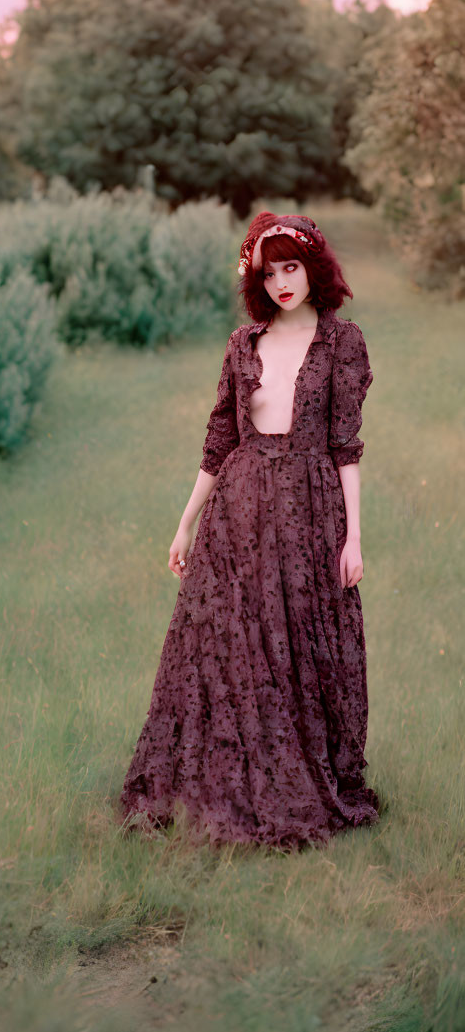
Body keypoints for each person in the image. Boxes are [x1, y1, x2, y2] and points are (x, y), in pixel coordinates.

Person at [120, 211, 381, 850]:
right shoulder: (244, 345)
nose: (282, 282)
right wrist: (185, 524)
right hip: (236, 515)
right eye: (270, 272)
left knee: (300, 644)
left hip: (311, 515)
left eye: (292, 267)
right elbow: (219, 441)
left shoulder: (341, 342)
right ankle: (225, 772)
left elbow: (345, 445)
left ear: (313, 268)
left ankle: (299, 771)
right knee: (229, 646)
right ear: (256, 281)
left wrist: (353, 538)